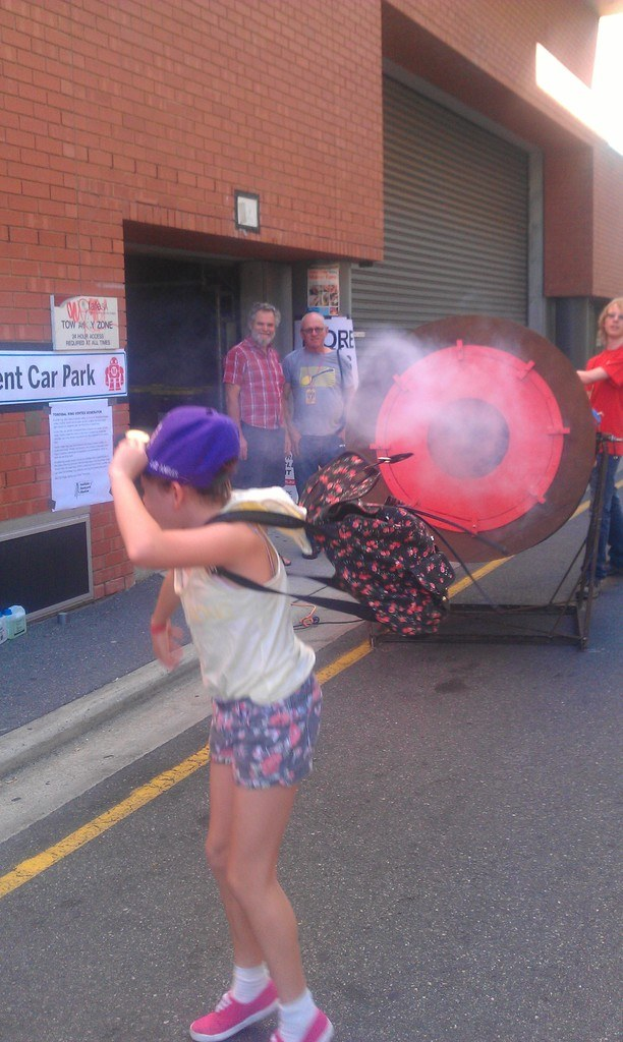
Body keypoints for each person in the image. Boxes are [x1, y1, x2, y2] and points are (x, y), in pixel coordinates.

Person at [108, 406, 333, 1042]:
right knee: (220, 854)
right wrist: (159, 621)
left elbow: (148, 548)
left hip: (275, 711)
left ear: (173, 491)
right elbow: (176, 570)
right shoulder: (200, 525)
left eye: (149, 491)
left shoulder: (235, 534)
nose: (145, 501)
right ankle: (252, 990)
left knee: (249, 873)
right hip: (236, 707)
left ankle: (303, 1018)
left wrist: (119, 474)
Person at [576, 297, 623, 589]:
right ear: (603, 321)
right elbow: (587, 397)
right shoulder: (596, 358)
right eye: (612, 315)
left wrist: (552, 370)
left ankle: (594, 571)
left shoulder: (619, 358)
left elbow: (590, 377)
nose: (616, 320)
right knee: (610, 502)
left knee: (599, 509)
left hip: (612, 442)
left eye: (621, 317)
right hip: (596, 441)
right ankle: (620, 556)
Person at [282, 312, 354, 499]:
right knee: (307, 497)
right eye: (309, 330)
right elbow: (283, 397)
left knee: (337, 495)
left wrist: (345, 427)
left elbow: (351, 395)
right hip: (303, 440)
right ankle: (310, 529)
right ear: (302, 334)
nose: (314, 333)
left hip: (333, 438)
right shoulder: (291, 361)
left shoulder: (340, 360)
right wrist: (291, 431)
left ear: (326, 331)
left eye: (318, 329)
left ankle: (332, 529)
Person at [223, 302, 287, 489]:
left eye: (270, 325)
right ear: (251, 325)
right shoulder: (238, 353)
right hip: (251, 434)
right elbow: (231, 398)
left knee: (274, 489)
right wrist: (238, 436)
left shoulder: (274, 355)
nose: (265, 329)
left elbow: (279, 393)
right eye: (261, 324)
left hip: (275, 434)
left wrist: (285, 430)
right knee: (249, 490)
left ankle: (268, 520)